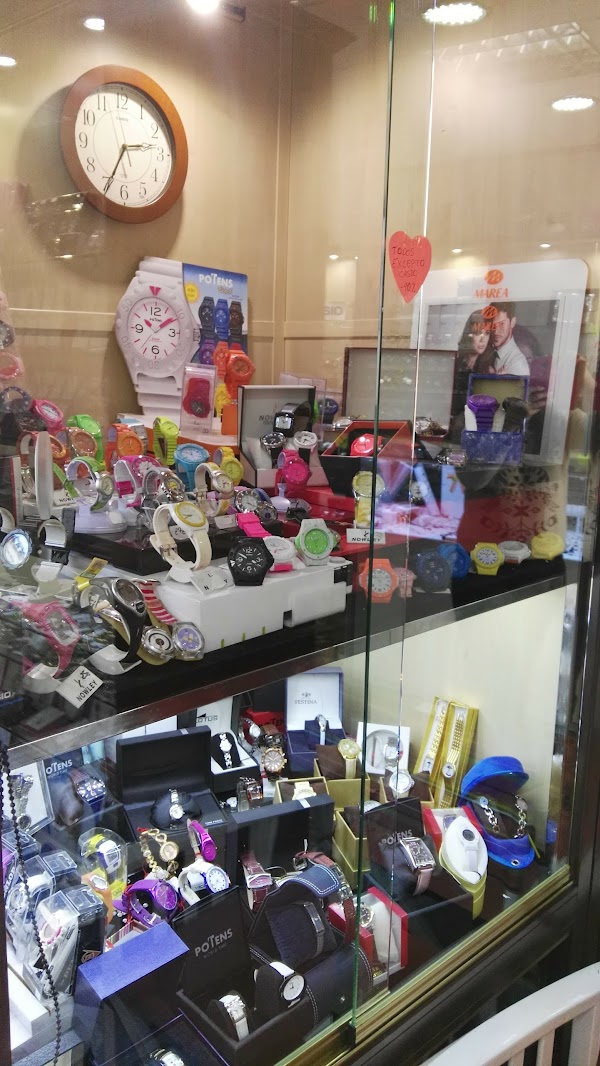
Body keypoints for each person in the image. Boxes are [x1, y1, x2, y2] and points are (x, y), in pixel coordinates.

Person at [490, 302, 531, 376]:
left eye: (501, 324)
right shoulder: (488, 352)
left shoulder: (518, 364)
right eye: (493, 325)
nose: (495, 331)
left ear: (512, 322)